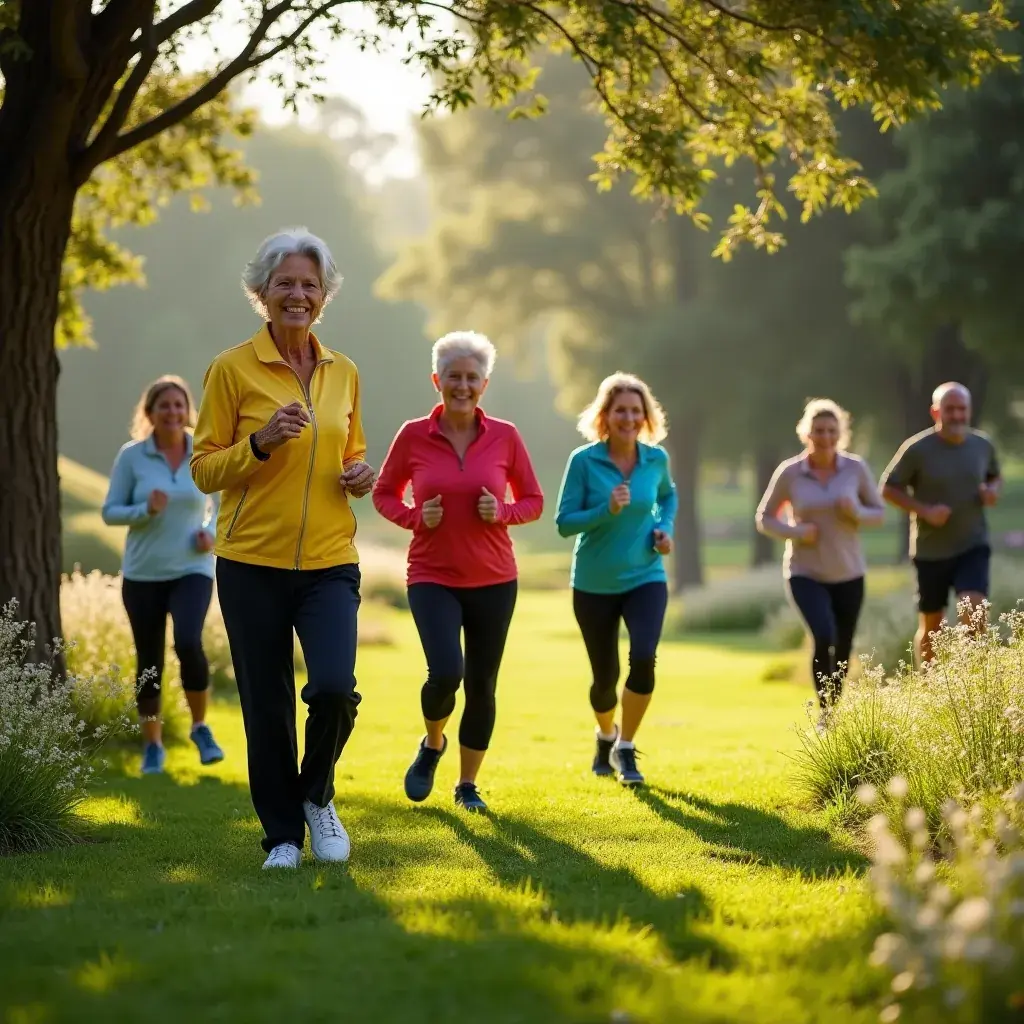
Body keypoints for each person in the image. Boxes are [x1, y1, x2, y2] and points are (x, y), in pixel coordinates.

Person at [190, 227, 376, 870]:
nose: (297, 294)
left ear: (324, 296)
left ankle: (317, 796)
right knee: (266, 705)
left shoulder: (343, 371)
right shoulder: (231, 369)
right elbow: (204, 469)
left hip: (330, 562)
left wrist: (360, 474)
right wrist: (262, 441)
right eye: (285, 283)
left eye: (309, 284)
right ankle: (281, 839)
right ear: (261, 293)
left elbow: (350, 453)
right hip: (250, 564)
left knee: (332, 688)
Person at [372, 331, 543, 813]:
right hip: (432, 575)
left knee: (483, 685)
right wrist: (412, 516)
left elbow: (533, 501)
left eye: (471, 377)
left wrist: (503, 512)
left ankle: (467, 785)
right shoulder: (412, 435)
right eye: (453, 377)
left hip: (494, 578)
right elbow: (385, 493)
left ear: (484, 384)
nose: (462, 385)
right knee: (447, 671)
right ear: (437, 380)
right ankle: (432, 744)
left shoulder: (506, 437)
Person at [554, 372, 677, 787]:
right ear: (605, 415)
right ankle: (605, 734)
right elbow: (564, 524)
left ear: (646, 417)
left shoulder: (655, 460)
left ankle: (625, 746)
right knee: (604, 679)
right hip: (594, 584)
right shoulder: (584, 461)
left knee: (644, 656)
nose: (628, 417)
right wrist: (605, 509)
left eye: (635, 410)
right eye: (620, 409)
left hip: (646, 575)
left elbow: (668, 496)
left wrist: (666, 529)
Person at [101, 376, 224, 775]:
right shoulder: (132, 457)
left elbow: (224, 502)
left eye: (179, 404)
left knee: (189, 641)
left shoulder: (203, 450)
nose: (172, 412)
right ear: (149, 412)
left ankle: (200, 728)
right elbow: (110, 511)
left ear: (188, 411)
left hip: (193, 567)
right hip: (143, 573)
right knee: (149, 660)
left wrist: (213, 532)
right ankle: (152, 746)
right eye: (164, 405)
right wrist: (144, 511)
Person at [755, 399, 885, 727]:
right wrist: (795, 531)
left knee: (842, 645)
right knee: (823, 634)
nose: (825, 436)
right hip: (805, 571)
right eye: (818, 430)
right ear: (806, 433)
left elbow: (879, 514)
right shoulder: (791, 472)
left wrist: (856, 511)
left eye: (831, 430)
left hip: (849, 572)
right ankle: (824, 713)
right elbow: (764, 517)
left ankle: (832, 709)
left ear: (841, 433)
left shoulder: (855, 469)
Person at [880, 382, 1002, 665]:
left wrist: (991, 491)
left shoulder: (982, 445)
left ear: (969, 411)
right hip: (930, 550)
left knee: (974, 611)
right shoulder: (917, 449)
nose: (957, 415)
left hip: (973, 544)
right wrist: (924, 510)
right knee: (932, 625)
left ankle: (969, 679)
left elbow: (994, 475)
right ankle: (930, 685)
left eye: (962, 409)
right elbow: (888, 488)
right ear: (936, 412)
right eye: (950, 409)